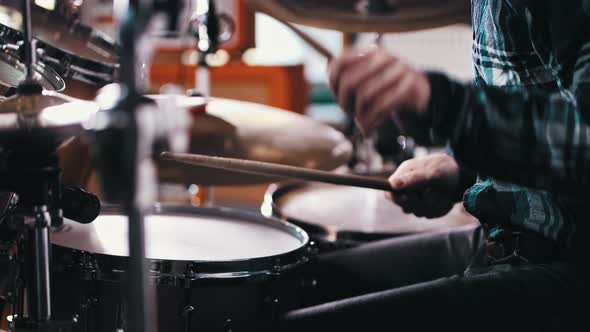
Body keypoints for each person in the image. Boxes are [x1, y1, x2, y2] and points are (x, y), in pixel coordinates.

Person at [279, 1, 590, 331]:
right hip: (517, 236)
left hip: (572, 261)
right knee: (289, 286)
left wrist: (441, 102)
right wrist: (463, 171)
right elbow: (545, 101)